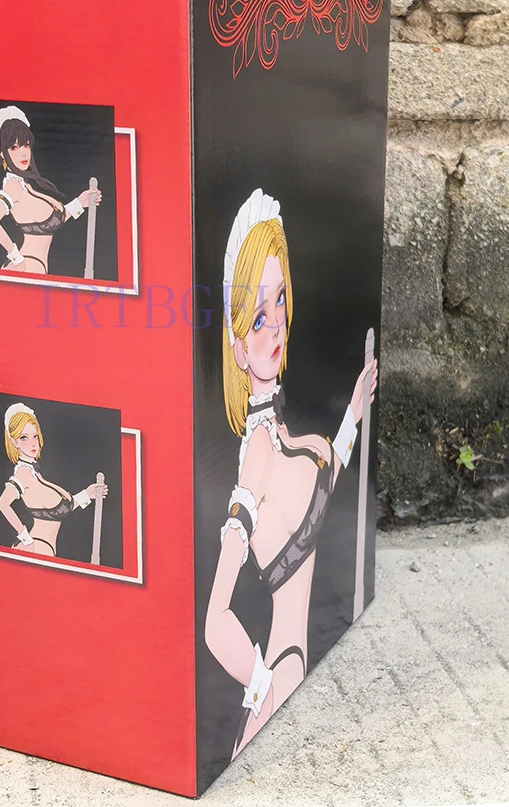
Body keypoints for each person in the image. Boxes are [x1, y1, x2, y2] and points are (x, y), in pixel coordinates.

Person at [204, 189, 377, 757]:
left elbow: (323, 481)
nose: (276, 325)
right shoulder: (258, 451)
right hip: (281, 672)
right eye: (258, 317)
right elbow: (215, 621)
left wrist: (352, 414)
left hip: (301, 660)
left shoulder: (283, 436)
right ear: (237, 348)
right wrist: (262, 688)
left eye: (279, 301)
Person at [0, 105, 102, 274]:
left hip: (37, 265)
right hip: (28, 265)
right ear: (2, 153)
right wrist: (17, 258)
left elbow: (57, 219)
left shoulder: (25, 187)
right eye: (14, 147)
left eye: (25, 145)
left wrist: (80, 203)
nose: (23, 153)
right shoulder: (13, 186)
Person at [0, 403, 108, 557]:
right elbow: (3, 503)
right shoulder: (23, 473)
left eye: (35, 436)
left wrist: (86, 495)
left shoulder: (34, 473)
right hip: (38, 546)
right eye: (24, 438)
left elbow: (61, 510)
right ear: (13, 442)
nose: (33, 443)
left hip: (45, 547)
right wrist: (26, 539)